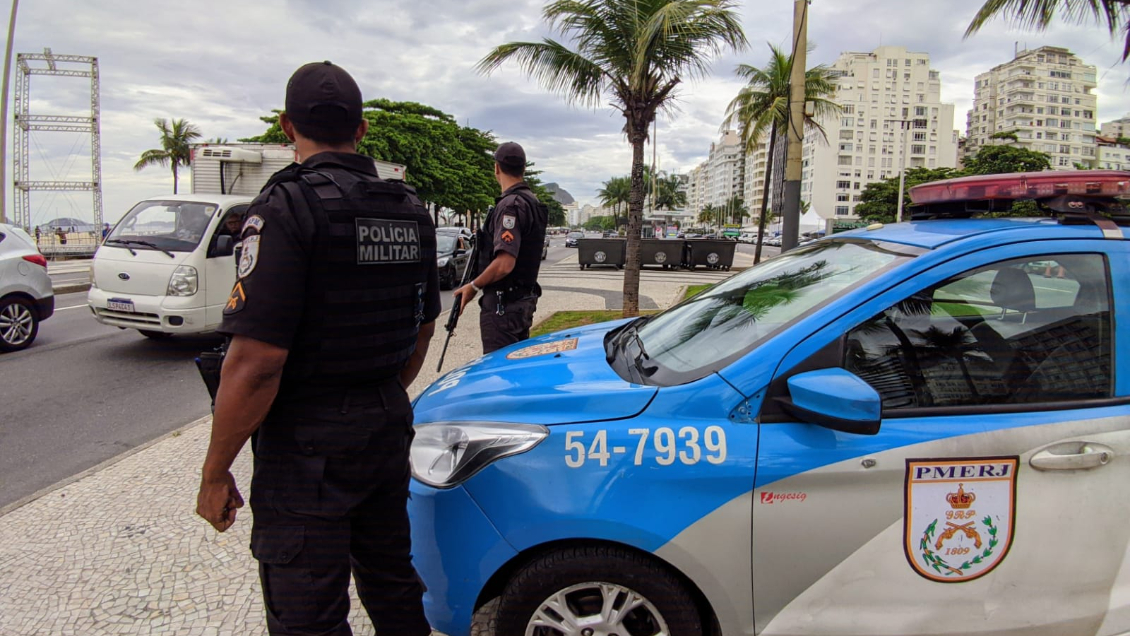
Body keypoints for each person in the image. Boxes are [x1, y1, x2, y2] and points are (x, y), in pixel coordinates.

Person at [194, 61, 437, 636]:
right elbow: (422, 328)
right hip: (384, 421)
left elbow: (255, 363)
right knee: (392, 580)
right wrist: (372, 395)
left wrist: (214, 472)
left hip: (307, 444)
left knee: (307, 613)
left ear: (286, 126)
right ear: (363, 128)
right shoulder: (409, 209)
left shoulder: (284, 208)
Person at [454, 141, 549, 353]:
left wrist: (473, 287)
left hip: (504, 306)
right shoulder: (532, 201)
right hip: (520, 302)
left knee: (499, 375)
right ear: (524, 168)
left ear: (496, 168)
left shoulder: (510, 205)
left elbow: (505, 263)